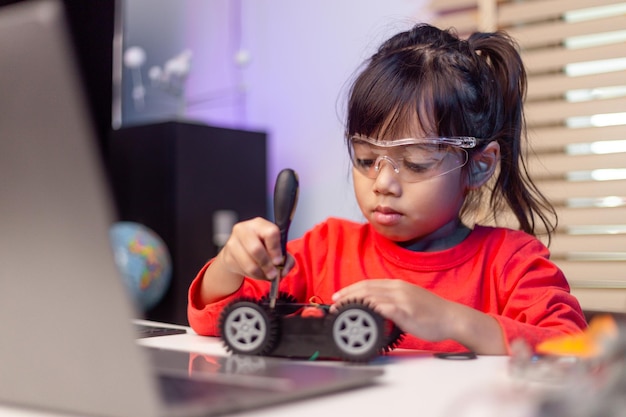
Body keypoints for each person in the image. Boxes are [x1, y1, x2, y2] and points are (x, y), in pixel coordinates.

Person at [187, 23, 586, 355]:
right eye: (364, 160)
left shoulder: (511, 264)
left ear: (478, 166)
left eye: (414, 163)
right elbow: (211, 320)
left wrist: (452, 319)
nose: (382, 184)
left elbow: (573, 351)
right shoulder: (324, 249)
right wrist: (230, 265)